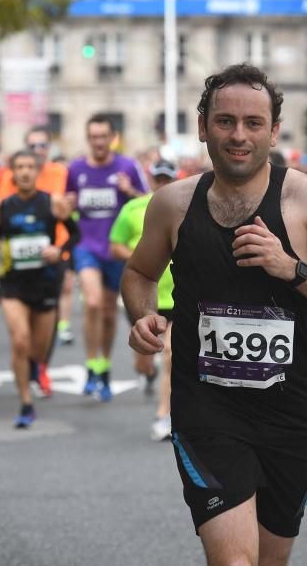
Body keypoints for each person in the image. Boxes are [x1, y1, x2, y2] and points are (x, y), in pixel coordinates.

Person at [122, 64, 307, 565]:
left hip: (292, 416)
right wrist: (144, 315)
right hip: (207, 411)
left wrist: (293, 269)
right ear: (203, 126)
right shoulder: (172, 204)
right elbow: (139, 274)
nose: (239, 135)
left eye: (253, 123)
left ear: (274, 131)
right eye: (225, 121)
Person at [0, 151, 79, 428]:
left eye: (29, 167)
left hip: (45, 282)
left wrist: (58, 250)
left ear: (36, 172)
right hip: (12, 283)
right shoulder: (2, 207)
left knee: (38, 350)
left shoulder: (53, 204)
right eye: (19, 167)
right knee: (20, 340)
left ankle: (36, 370)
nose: (25, 172)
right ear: (12, 173)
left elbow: (76, 234)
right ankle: (26, 402)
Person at [66, 115, 148, 401]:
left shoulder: (127, 167)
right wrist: (65, 207)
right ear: (88, 139)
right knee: (92, 302)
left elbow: (145, 203)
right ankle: (91, 363)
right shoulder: (75, 169)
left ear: (112, 138)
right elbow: (67, 206)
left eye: (103, 136)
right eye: (93, 137)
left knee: (109, 313)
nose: (98, 142)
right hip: (87, 245)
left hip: (114, 247)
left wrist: (130, 191)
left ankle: (105, 365)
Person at [0, 126, 69, 393]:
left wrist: (60, 248)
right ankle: (27, 387)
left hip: (52, 255)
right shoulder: (11, 181)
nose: (38, 152)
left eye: (42, 146)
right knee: (21, 337)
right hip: (17, 267)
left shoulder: (61, 173)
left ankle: (41, 367)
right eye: (33, 146)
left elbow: (73, 213)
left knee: (44, 331)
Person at [109, 159, 178, 441]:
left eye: (167, 180)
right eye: (158, 179)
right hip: (144, 298)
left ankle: (164, 415)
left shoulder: (184, 208)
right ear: (150, 180)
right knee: (145, 361)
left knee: (171, 354)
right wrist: (144, 260)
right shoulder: (133, 209)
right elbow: (115, 245)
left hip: (177, 298)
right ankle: (146, 373)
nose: (162, 185)